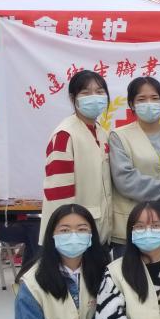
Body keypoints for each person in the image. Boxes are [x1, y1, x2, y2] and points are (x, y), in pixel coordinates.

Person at [109, 77, 160, 253]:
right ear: (132, 104)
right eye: (142, 99)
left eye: (155, 98)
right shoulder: (118, 136)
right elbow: (126, 181)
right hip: (132, 228)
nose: (149, 103)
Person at [40, 70, 114, 246]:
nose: (94, 97)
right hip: (75, 235)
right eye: (86, 93)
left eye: (100, 92)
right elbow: (58, 193)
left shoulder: (101, 132)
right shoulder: (65, 134)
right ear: (73, 98)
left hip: (100, 231)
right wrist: (68, 232)